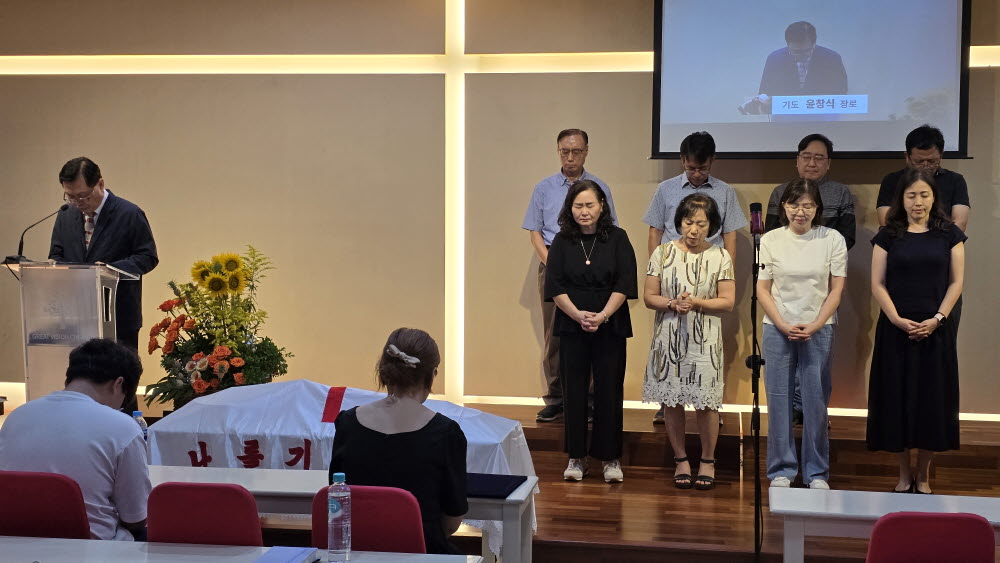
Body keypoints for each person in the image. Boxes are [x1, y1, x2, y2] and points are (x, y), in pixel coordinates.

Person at [867, 168, 965, 495]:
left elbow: (956, 282)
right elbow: (877, 284)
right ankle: (903, 473)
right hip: (896, 329)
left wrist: (938, 318)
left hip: (935, 329)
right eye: (911, 195)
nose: (918, 201)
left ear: (934, 197)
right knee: (896, 399)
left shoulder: (950, 234)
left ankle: (923, 474)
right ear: (902, 199)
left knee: (931, 401)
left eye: (924, 194)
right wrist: (896, 319)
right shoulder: (888, 234)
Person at [329, 328, 468, 554]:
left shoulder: (347, 423)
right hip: (422, 553)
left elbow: (337, 497)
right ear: (432, 374)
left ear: (384, 370)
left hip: (356, 553)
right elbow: (452, 521)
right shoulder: (446, 433)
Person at [643, 131, 747, 424]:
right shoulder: (665, 189)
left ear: (712, 161)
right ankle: (667, 401)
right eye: (691, 168)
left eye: (703, 168)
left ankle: (707, 402)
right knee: (670, 339)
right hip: (672, 274)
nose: (697, 174)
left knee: (705, 343)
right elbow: (655, 230)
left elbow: (730, 236)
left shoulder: (725, 192)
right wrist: (658, 269)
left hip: (709, 274)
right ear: (682, 160)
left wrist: (725, 275)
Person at [0, 338, 150, 541]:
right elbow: (136, 516)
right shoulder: (123, 427)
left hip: (15, 540)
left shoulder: (17, 416)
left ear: (69, 378)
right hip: (91, 547)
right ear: (118, 384)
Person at [544, 180, 636, 483]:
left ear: (602, 206)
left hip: (611, 323)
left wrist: (603, 315)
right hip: (572, 324)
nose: (584, 211)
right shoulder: (561, 240)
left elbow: (625, 282)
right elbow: (555, 285)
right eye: (578, 205)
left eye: (589, 205)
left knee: (609, 390)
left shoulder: (618, 238)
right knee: (574, 391)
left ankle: (610, 458)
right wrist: (577, 314)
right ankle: (576, 457)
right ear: (569, 208)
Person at [524, 129, 618, 423]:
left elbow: (610, 229)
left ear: (586, 152)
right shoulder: (544, 188)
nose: (570, 157)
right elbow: (535, 232)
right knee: (555, 334)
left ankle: (588, 399)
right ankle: (556, 398)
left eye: (576, 151)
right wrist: (553, 264)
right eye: (564, 151)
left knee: (590, 329)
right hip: (553, 262)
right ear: (558, 151)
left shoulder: (599, 188)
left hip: (591, 267)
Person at [642, 193, 735, 490]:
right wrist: (672, 303)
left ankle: (707, 460)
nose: (693, 230)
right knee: (672, 401)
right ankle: (680, 459)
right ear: (679, 222)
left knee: (707, 404)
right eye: (688, 222)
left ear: (712, 226)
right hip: (668, 336)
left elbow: (727, 302)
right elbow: (649, 297)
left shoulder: (720, 256)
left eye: (701, 224)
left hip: (705, 339)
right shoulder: (662, 253)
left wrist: (695, 302)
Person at [758, 179, 846, 490]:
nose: (800, 211)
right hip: (777, 328)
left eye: (808, 205)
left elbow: (836, 290)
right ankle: (781, 470)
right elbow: (763, 289)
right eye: (794, 204)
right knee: (778, 400)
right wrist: (782, 323)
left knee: (815, 401)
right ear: (784, 206)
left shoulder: (832, 238)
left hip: (818, 328)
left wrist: (816, 323)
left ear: (817, 208)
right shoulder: (770, 239)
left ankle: (816, 472)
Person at [764, 133, 854, 426]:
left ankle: (813, 413)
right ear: (797, 159)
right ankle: (791, 410)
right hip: (783, 290)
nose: (812, 163)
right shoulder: (780, 192)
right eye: (806, 156)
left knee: (816, 370)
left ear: (828, 162)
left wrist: (818, 253)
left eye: (819, 157)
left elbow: (848, 237)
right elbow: (770, 233)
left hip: (821, 286)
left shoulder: (840, 194)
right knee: (782, 369)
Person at [877, 125, 969, 330]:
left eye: (932, 161)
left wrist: (928, 243)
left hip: (940, 270)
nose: (926, 166)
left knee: (942, 336)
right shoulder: (893, 181)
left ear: (941, 155)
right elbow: (886, 221)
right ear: (907, 157)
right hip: (902, 269)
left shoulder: (955, 181)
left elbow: (960, 223)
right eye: (919, 161)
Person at [757, 21, 848, 113]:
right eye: (795, 52)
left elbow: (841, 92)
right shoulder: (774, 59)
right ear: (788, 45)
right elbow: (764, 92)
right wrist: (765, 100)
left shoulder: (832, 59)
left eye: (806, 51)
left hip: (823, 115)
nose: (801, 56)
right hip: (784, 117)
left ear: (814, 44)